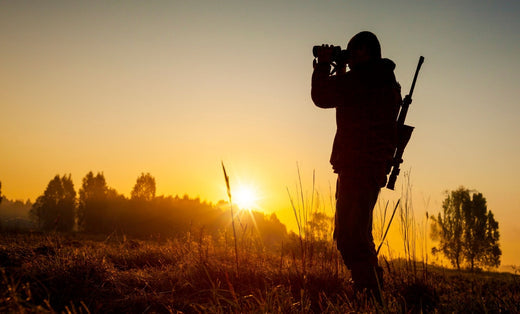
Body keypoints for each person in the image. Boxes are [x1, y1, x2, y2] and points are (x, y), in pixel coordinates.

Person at [311, 31, 401, 301]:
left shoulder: (364, 78)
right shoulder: (382, 78)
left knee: (351, 235)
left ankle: (370, 292)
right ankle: (368, 289)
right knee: (355, 232)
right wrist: (340, 70)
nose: (349, 59)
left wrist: (325, 65)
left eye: (354, 53)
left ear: (366, 52)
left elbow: (322, 97)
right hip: (366, 166)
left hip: (358, 165)